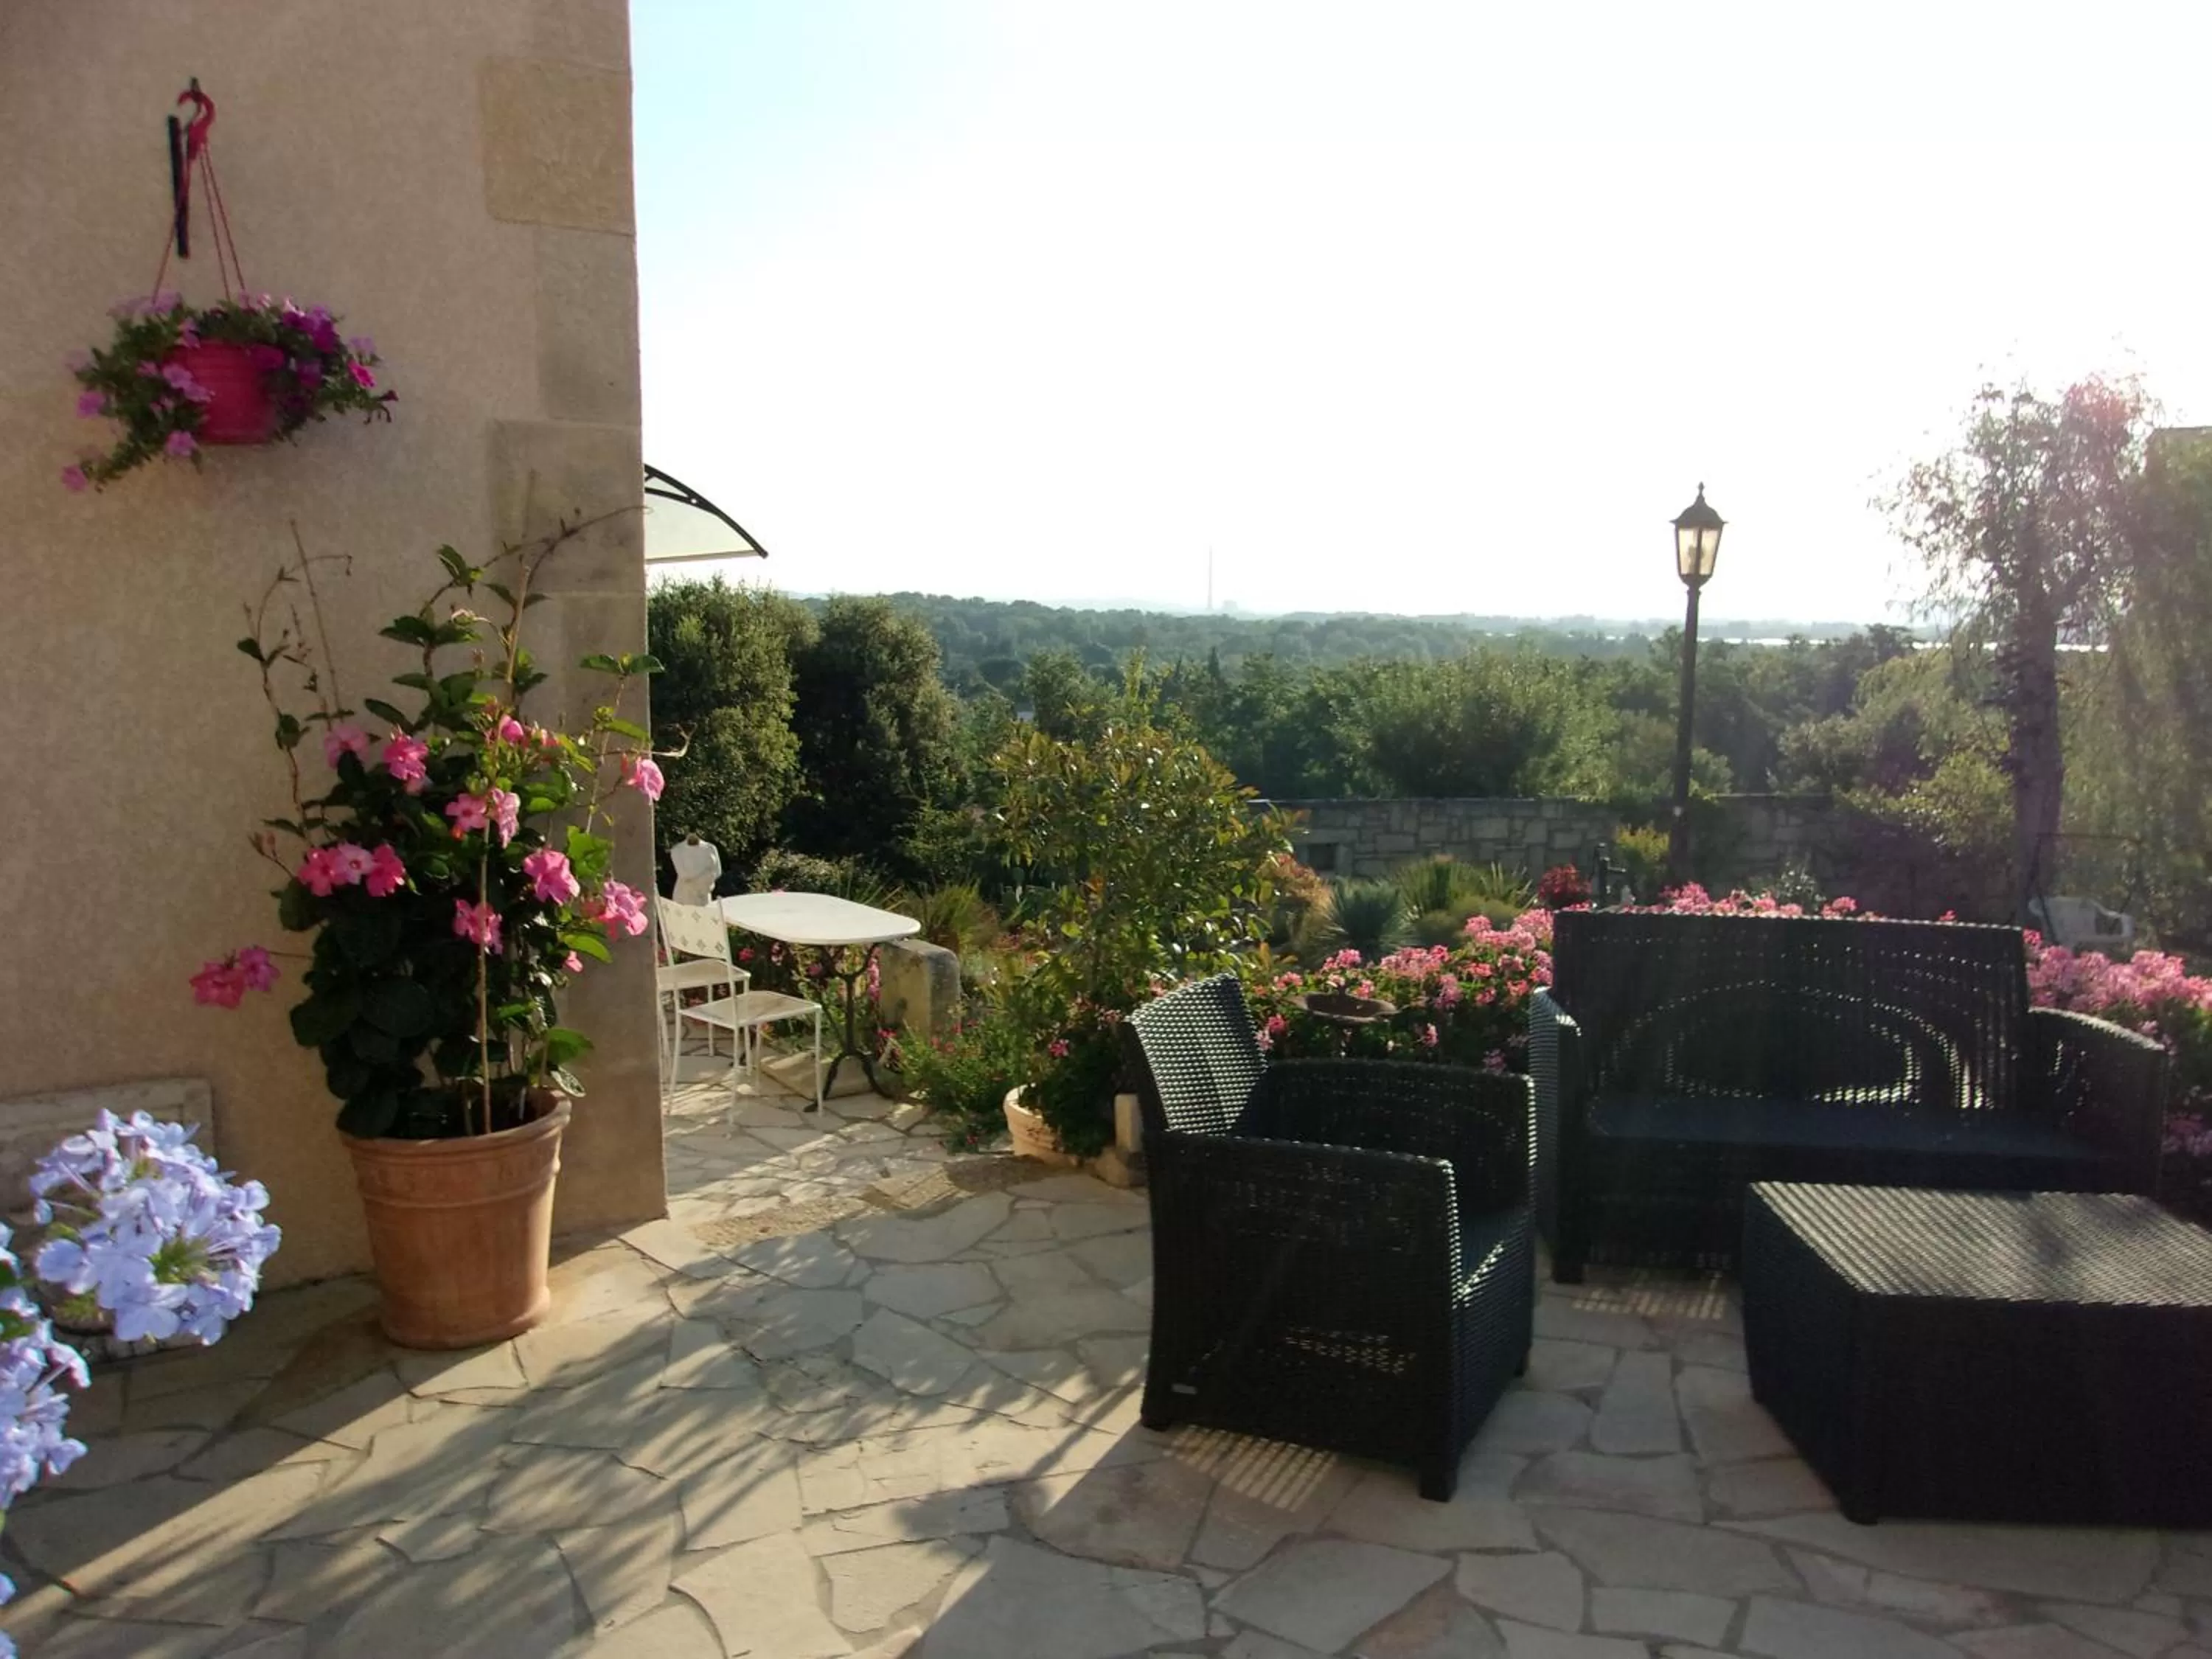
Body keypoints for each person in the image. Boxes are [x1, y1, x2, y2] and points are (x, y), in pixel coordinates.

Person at [668, 833, 721, 907]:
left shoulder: (710, 848)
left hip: (704, 893)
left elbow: (717, 871)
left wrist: (707, 881)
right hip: (685, 894)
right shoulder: (677, 850)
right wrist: (706, 871)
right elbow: (684, 875)